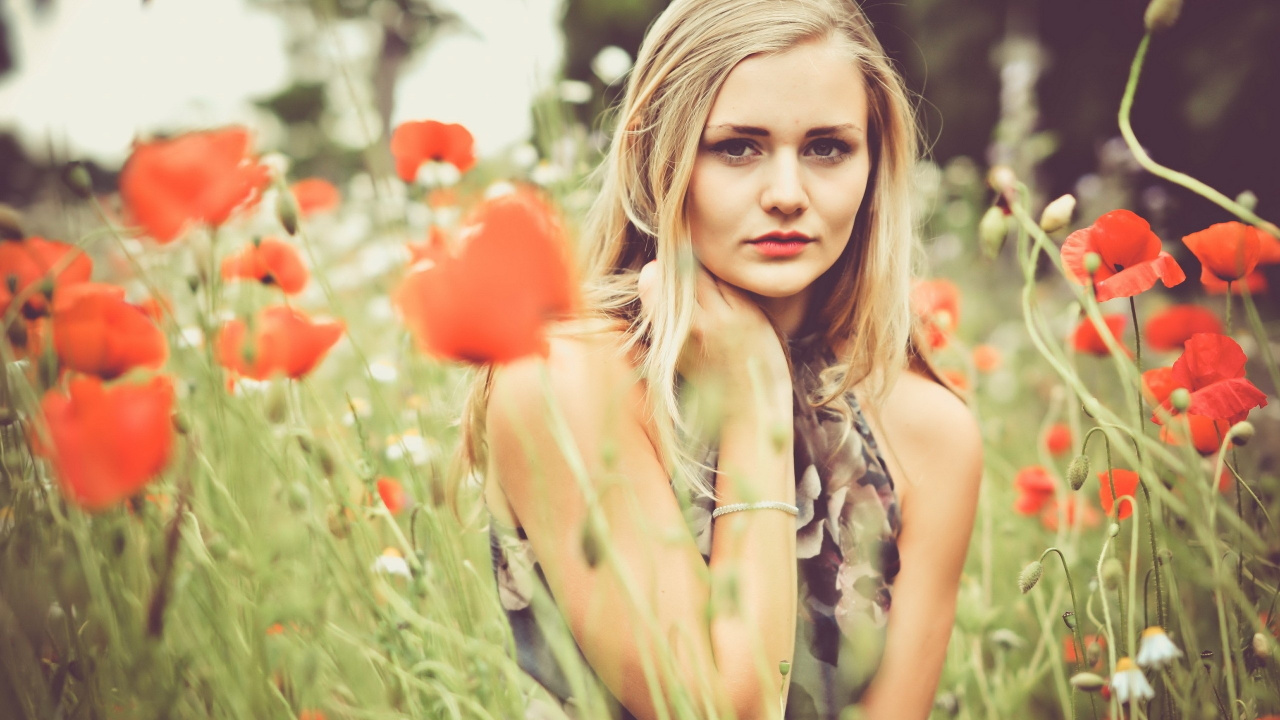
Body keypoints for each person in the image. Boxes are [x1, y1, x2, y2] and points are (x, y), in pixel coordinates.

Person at [461, 0, 983, 717]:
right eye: (737, 147)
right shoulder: (564, 380)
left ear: (874, 163)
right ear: (659, 156)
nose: (787, 195)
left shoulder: (928, 432)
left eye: (827, 148)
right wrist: (755, 397)